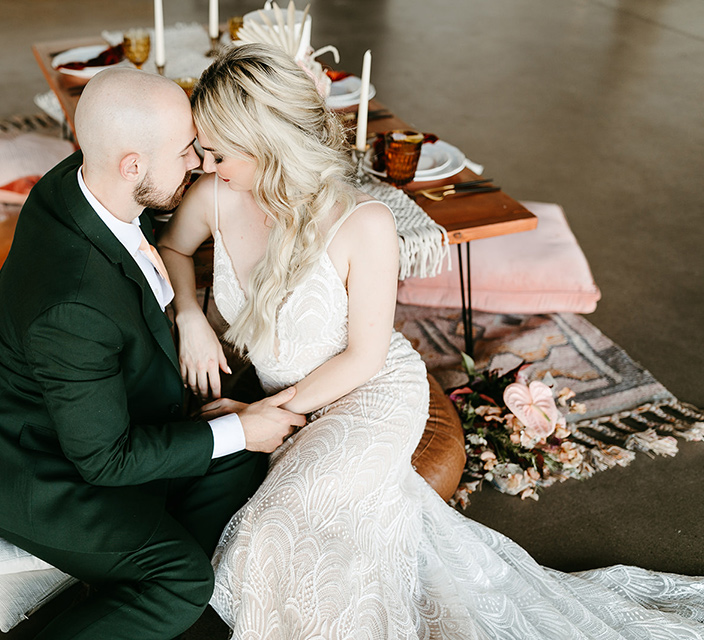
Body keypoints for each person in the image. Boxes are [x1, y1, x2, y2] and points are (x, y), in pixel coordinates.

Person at [157, 43, 704, 639]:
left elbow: (363, 356)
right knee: (301, 532)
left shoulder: (362, 222)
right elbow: (174, 248)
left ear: (264, 143)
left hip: (364, 395)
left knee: (271, 526)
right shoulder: (216, 196)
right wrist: (190, 314)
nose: (205, 165)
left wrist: (263, 412)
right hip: (288, 399)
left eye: (217, 151)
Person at [0, 67, 306, 640]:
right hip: (39, 467)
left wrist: (188, 316)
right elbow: (104, 461)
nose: (199, 162)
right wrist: (240, 429)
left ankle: (134, 595)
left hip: (98, 412)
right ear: (132, 165)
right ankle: (151, 594)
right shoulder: (73, 304)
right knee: (180, 580)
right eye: (187, 151)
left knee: (236, 447)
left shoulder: (81, 178)